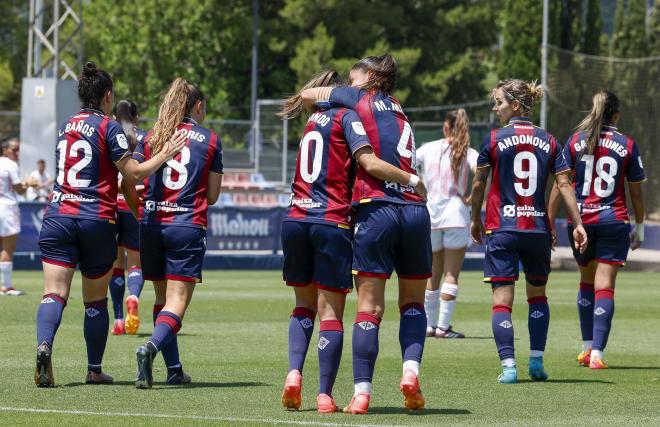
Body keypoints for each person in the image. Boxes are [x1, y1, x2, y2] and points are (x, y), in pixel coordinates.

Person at [278, 70, 426, 413]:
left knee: (304, 306)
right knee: (334, 311)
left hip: (296, 216)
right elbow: (368, 161)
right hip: (334, 219)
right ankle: (326, 396)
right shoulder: (353, 115)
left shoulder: (311, 124)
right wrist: (412, 180)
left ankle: (294, 374)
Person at [34, 61, 187, 387]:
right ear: (107, 97)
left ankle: (45, 346)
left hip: (58, 216)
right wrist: (165, 154)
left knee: (53, 293)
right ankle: (94, 370)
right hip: (95, 220)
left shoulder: (65, 126)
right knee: (94, 300)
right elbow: (131, 173)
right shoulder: (108, 127)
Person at [470, 79, 588, 384]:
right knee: (538, 297)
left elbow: (479, 183)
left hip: (503, 228)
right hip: (537, 229)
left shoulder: (494, 139)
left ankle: (509, 366)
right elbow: (564, 185)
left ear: (516, 105)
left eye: (499, 102)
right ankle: (536, 362)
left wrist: (475, 218)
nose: (495, 108)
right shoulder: (549, 141)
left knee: (501, 301)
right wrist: (577, 223)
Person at [130, 77, 223, 389]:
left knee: (160, 298)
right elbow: (211, 196)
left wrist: (139, 212)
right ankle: (150, 348)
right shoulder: (209, 139)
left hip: (152, 223)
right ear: (197, 106)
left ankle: (174, 369)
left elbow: (128, 181)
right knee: (178, 299)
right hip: (186, 224)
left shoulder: (153, 135)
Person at [548, 90, 645, 370]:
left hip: (581, 222)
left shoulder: (576, 141)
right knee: (605, 286)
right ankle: (598, 355)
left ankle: (586, 347)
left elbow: (560, 183)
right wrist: (639, 228)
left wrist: (550, 221)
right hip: (614, 222)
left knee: (586, 282)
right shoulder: (626, 144)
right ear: (616, 115)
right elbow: (636, 195)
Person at [416, 109, 478, 339]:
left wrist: (417, 189)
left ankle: (429, 325)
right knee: (451, 273)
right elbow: (482, 174)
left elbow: (406, 163)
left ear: (445, 127)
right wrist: (472, 197)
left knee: (432, 273)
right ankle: (443, 326)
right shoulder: (468, 151)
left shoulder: (428, 148)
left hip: (430, 213)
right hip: (456, 213)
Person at [109, 99, 148, 335]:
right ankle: (133, 296)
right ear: (136, 116)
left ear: (115, 116)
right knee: (135, 263)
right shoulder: (143, 138)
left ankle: (118, 321)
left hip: (111, 206)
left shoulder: (110, 135)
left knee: (115, 265)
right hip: (134, 205)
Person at [0, 137, 36, 296]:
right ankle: (6, 286)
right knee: (8, 248)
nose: (17, 153)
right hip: (7, 208)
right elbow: (18, 189)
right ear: (5, 150)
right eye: (14, 150)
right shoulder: (11, 165)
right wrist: (28, 183)